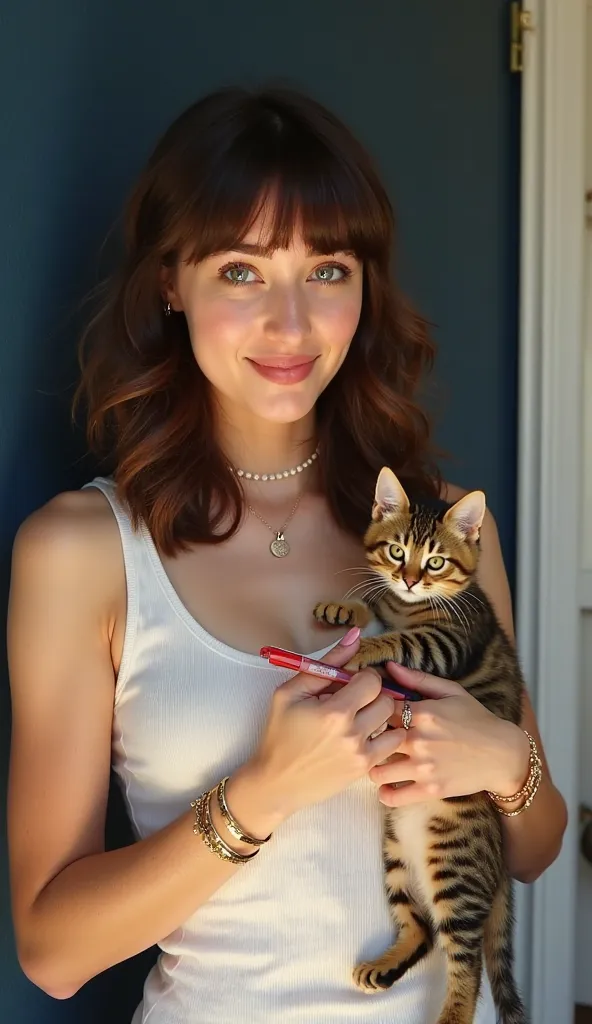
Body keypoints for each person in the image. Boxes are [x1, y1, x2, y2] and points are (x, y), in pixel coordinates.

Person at [7, 85, 567, 1024]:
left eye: (329, 270)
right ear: (169, 284)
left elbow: (533, 848)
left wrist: (509, 761)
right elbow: (53, 953)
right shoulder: (83, 553)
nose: (292, 323)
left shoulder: (446, 540)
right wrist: (260, 797)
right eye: (240, 271)